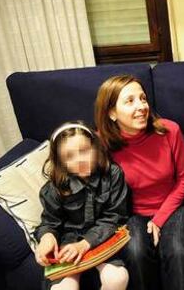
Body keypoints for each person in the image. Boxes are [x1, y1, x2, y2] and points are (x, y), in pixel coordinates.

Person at [94, 75, 184, 290]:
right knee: (135, 252)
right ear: (111, 113)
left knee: (177, 250)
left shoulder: (169, 130)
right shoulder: (101, 143)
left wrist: (159, 220)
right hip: (132, 212)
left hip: (174, 204)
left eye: (143, 98)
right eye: (130, 101)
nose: (141, 106)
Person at [34, 121, 130, 290]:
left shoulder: (113, 174)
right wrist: (46, 238)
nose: (80, 160)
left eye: (85, 151)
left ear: (95, 148)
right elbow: (49, 223)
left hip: (101, 238)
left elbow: (114, 217)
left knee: (117, 278)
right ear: (61, 162)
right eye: (69, 156)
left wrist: (86, 243)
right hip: (68, 242)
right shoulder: (54, 189)